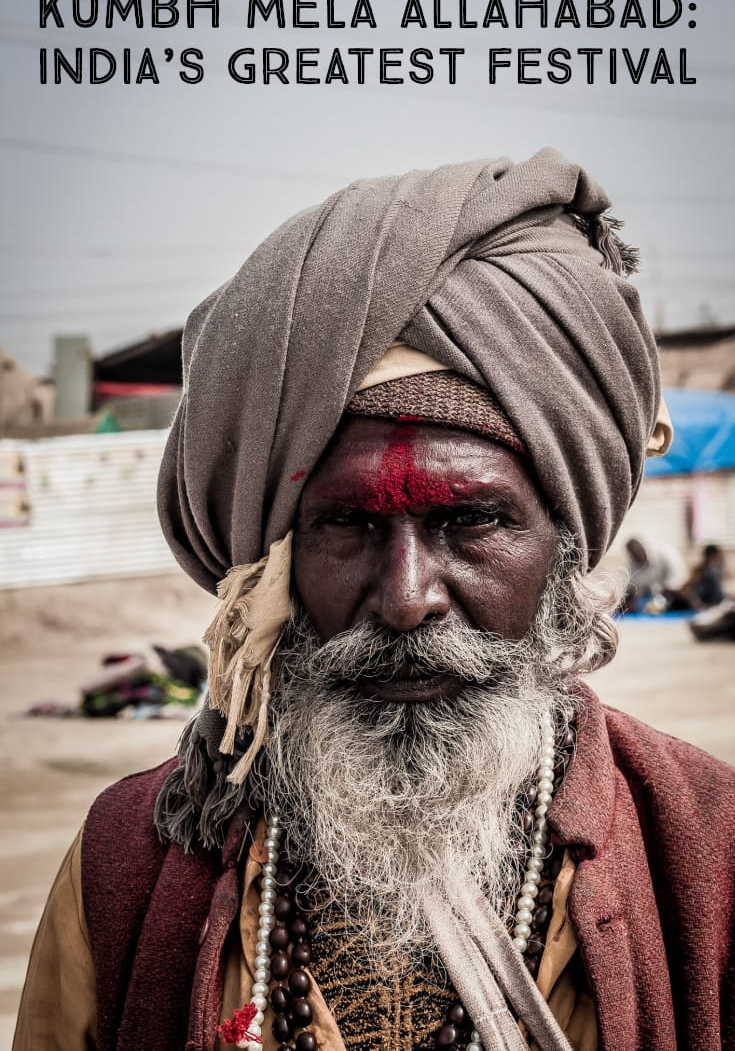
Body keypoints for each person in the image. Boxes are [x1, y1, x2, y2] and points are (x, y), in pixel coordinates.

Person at [14, 149, 735, 1051]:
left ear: (564, 545)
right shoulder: (126, 863)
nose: (403, 599)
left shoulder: (709, 847)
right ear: (272, 563)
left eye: (470, 521)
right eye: (346, 526)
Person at [621, 537, 690, 613]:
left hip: (677, 595)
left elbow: (678, 582)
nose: (637, 556)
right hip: (652, 600)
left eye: (638, 552)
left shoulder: (666, 555)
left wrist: (660, 589)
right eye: (634, 555)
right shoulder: (631, 564)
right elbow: (633, 589)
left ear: (643, 548)